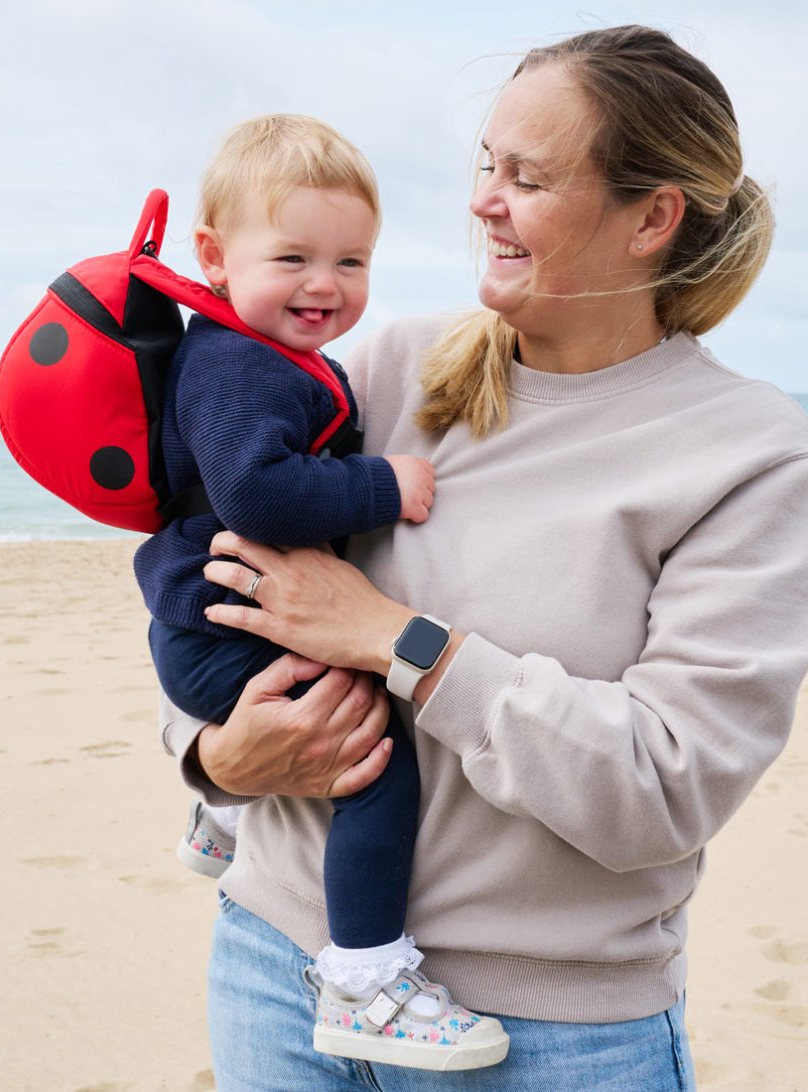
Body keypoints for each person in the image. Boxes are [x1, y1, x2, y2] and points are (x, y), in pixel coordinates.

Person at [162, 25, 808, 1091]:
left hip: (549, 1041)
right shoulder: (385, 367)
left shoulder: (752, 457)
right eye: (487, 165)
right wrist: (212, 757)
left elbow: (665, 787)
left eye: (528, 176)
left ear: (652, 218)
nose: (484, 200)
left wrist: (401, 644)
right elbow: (214, 584)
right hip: (274, 975)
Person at [133, 113, 510, 1071]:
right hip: (227, 633)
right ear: (214, 258)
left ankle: (220, 819)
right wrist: (388, 484)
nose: (324, 285)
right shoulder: (234, 367)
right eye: (293, 256)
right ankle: (368, 981)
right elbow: (258, 490)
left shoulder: (259, 356)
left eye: (352, 262)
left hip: (213, 625)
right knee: (371, 762)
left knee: (325, 738)